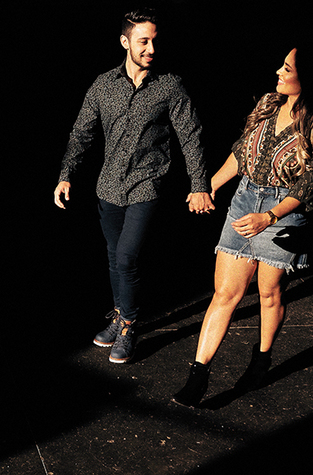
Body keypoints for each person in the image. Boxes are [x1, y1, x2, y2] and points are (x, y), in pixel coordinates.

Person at [172, 46, 313, 406]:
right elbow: (242, 151)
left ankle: (261, 361)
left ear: (306, 79)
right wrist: (210, 183)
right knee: (224, 294)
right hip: (245, 200)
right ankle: (198, 375)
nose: (278, 70)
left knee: (268, 292)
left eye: (287, 67)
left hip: (284, 210)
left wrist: (270, 217)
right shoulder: (267, 104)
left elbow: (307, 187)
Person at [54, 7, 214, 364]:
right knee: (114, 257)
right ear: (125, 41)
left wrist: (199, 184)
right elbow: (81, 132)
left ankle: (128, 326)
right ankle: (118, 314)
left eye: (155, 41)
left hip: (147, 184)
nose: (151, 49)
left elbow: (191, 136)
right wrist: (67, 174)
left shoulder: (169, 85)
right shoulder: (103, 84)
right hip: (108, 186)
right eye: (143, 41)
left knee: (127, 257)